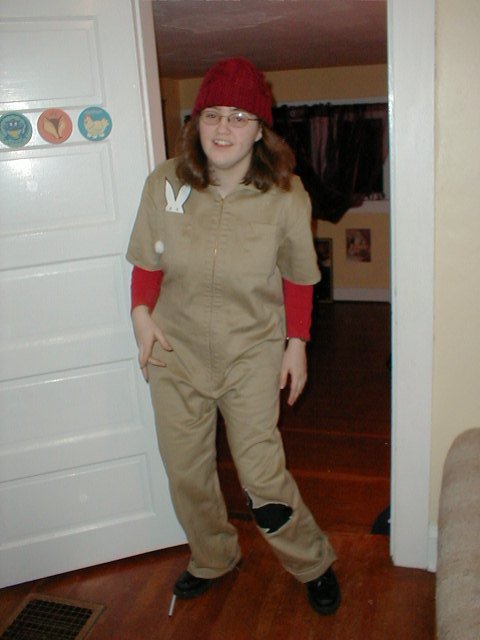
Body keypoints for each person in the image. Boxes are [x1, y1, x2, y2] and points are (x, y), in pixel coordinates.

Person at [126, 57, 340, 616]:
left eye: (240, 117)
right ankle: (212, 556)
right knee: (186, 472)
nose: (224, 128)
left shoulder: (287, 195)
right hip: (174, 351)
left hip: (252, 352)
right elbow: (147, 261)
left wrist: (297, 344)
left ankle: (312, 562)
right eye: (213, 115)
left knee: (262, 474)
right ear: (196, 122)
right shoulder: (166, 182)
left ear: (261, 130)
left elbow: (299, 277)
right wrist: (141, 315)